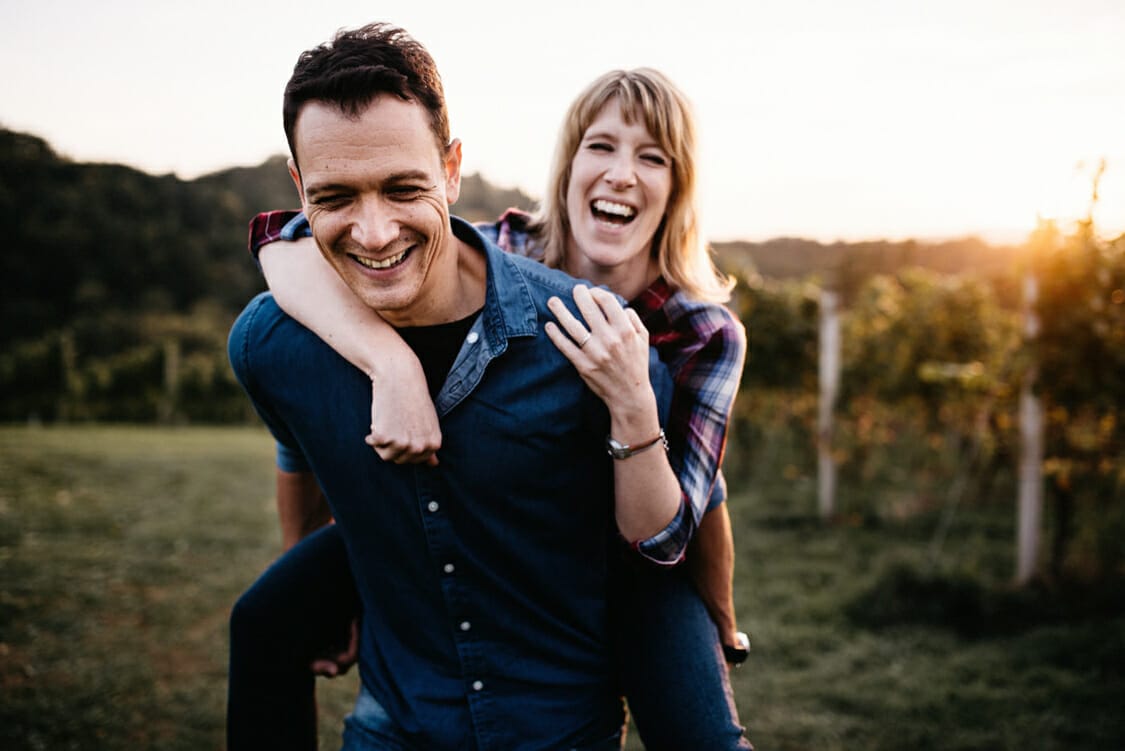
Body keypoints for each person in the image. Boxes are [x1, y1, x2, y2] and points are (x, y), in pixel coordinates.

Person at [235, 60, 753, 750]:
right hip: (477, 504)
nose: (621, 173)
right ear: (567, 167)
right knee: (266, 616)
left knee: (702, 736)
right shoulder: (496, 250)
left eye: (651, 157)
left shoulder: (697, 328)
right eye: (600, 146)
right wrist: (388, 362)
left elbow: (690, 505)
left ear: (675, 188)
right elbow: (285, 245)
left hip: (636, 531)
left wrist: (717, 603)